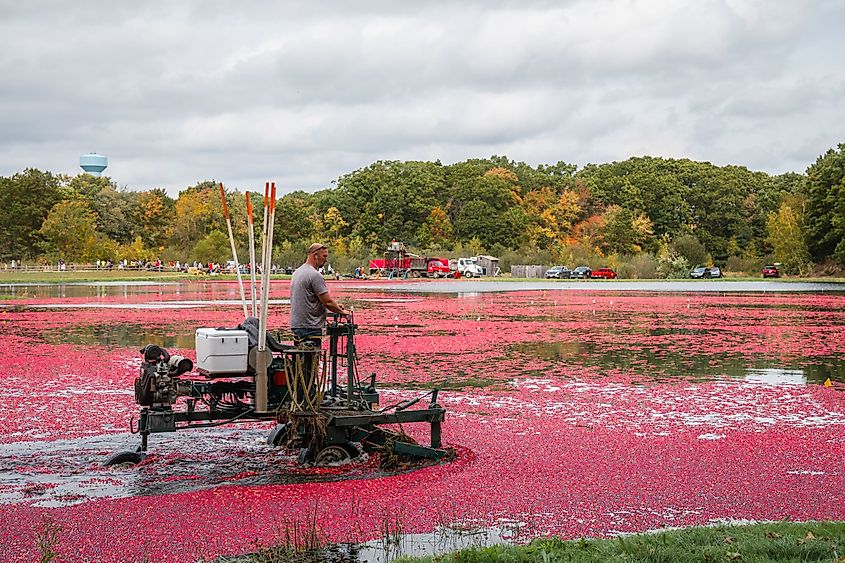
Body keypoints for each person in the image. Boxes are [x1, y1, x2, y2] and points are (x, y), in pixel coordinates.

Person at [290, 243, 350, 345]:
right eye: (324, 256)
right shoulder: (315, 275)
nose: (326, 260)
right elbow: (327, 301)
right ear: (315, 256)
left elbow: (309, 300)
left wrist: (336, 306)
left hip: (298, 325)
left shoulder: (297, 272)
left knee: (300, 359)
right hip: (310, 327)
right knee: (311, 359)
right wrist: (343, 312)